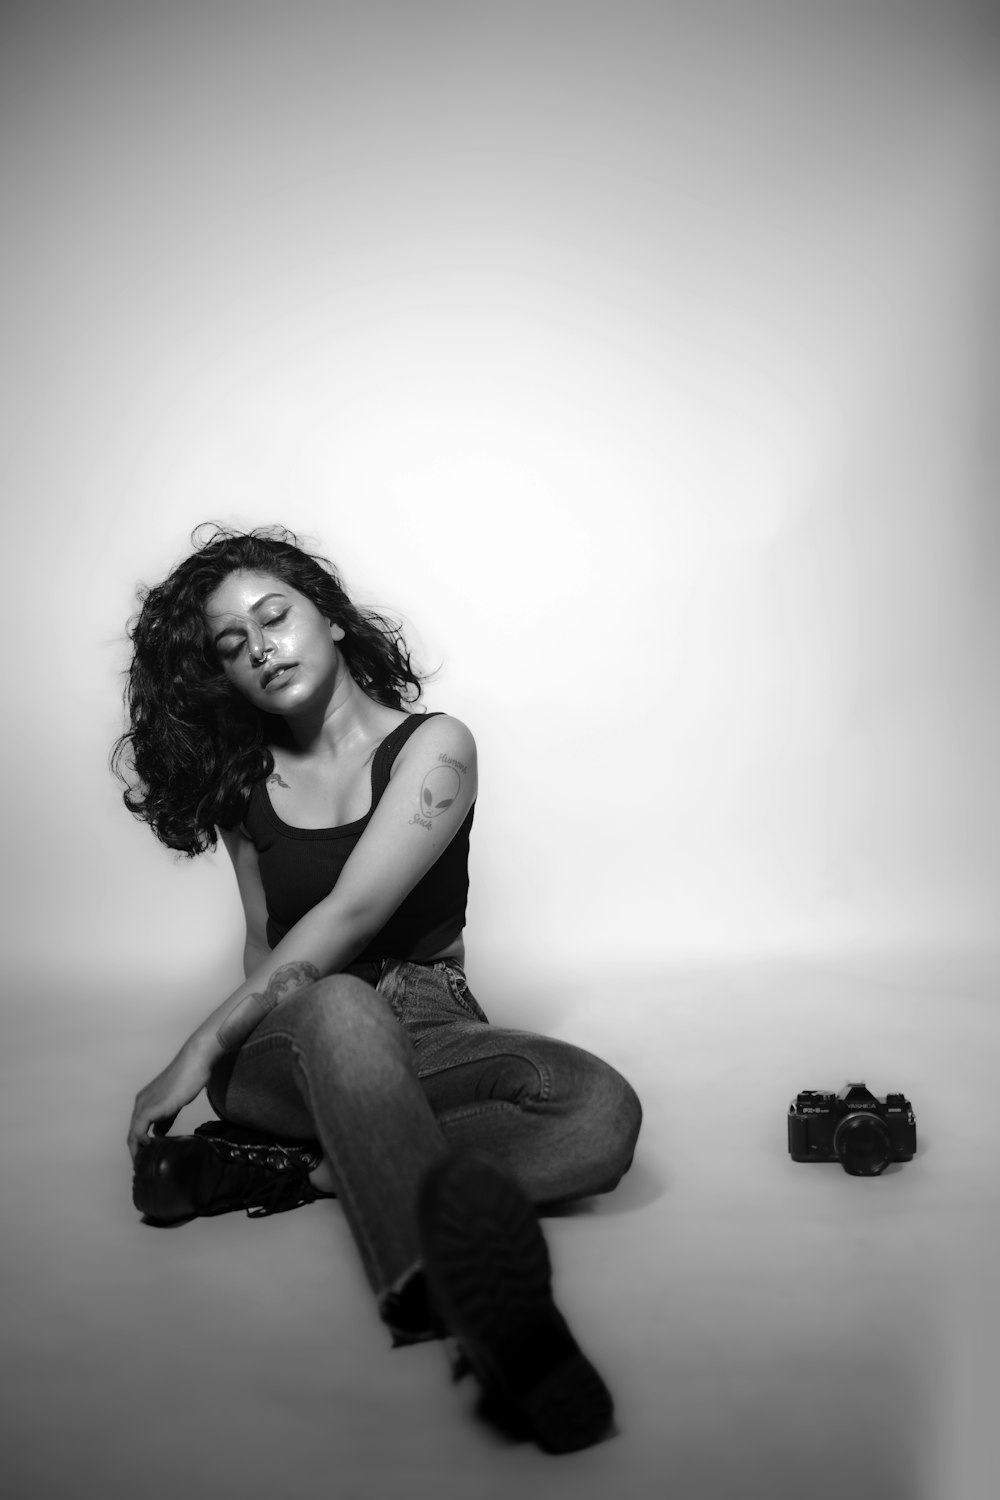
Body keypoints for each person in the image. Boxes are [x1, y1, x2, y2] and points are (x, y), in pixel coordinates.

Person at [113, 524, 642, 1454]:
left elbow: (353, 915)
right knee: (339, 1005)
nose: (261, 648)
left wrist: (189, 1049)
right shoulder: (243, 787)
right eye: (233, 647)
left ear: (334, 619)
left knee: (595, 1110)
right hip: (286, 1040)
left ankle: (306, 1170)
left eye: (274, 617)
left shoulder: (436, 747)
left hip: (427, 1020)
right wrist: (228, 1049)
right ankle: (489, 1327)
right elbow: (266, 947)